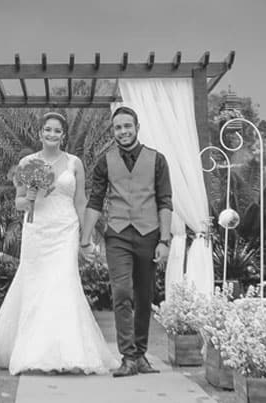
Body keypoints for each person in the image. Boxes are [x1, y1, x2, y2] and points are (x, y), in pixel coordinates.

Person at [0, 112, 118, 375]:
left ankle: (69, 352)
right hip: (37, 230)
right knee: (36, 286)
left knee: (63, 283)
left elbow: (80, 202)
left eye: (57, 130)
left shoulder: (74, 163)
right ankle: (35, 352)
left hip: (65, 229)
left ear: (63, 135)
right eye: (47, 129)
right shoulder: (27, 162)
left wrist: (86, 238)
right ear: (40, 133)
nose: (52, 134)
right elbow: (18, 203)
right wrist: (30, 196)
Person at [80, 106, 173, 377]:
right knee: (121, 292)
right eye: (118, 127)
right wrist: (85, 239)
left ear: (137, 127)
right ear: (114, 131)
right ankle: (128, 357)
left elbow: (165, 201)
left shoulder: (157, 160)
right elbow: (95, 201)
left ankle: (141, 355)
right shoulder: (105, 161)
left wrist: (164, 240)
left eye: (127, 126)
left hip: (149, 234)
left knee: (144, 296)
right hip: (118, 234)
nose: (123, 131)